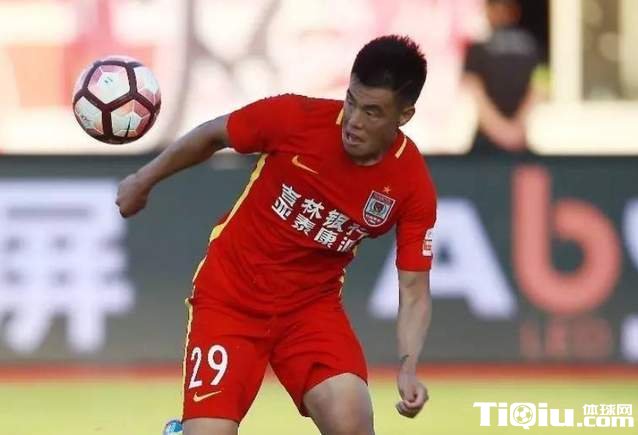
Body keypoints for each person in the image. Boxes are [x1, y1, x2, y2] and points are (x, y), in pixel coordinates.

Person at [116, 35, 436, 435]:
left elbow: (413, 288)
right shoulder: (296, 118)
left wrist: (408, 366)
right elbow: (213, 134)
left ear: (404, 116)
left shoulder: (411, 184)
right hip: (230, 297)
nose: (353, 121)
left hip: (310, 311)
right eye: (351, 101)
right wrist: (143, 180)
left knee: (352, 420)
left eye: (372, 112)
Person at [463, 0, 541, 154]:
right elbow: (541, 87)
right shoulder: (534, 45)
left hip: (495, 140)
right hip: (508, 137)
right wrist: (509, 131)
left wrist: (507, 132)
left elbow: (540, 87)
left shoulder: (479, 47)